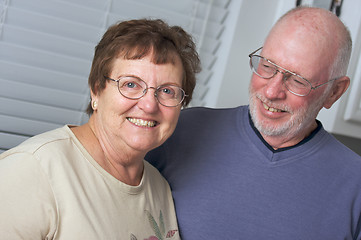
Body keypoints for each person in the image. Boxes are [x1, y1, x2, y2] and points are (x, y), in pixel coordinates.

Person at [146, 6, 361, 239]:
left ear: (334, 92)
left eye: (298, 81)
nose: (271, 91)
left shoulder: (355, 186)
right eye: (267, 66)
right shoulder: (179, 130)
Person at [0, 19, 200, 239]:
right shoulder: (33, 169)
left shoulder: (159, 187)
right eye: (131, 84)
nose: (149, 104)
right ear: (97, 90)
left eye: (167, 91)